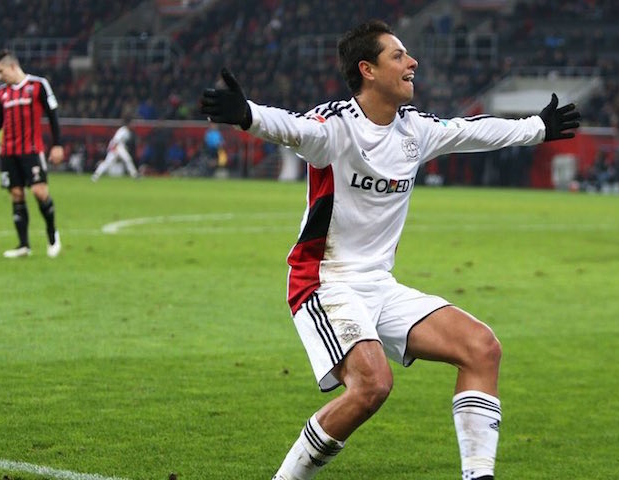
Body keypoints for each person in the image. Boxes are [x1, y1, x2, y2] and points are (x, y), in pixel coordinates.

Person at [200, 20, 579, 480]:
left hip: (379, 285)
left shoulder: (415, 129)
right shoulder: (335, 127)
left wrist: (538, 127)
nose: (412, 62)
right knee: (373, 385)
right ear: (368, 70)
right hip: (324, 282)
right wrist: (248, 114)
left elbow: (472, 131)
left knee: (481, 348)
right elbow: (290, 128)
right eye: (398, 55)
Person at [0, 50, 64, 258]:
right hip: (9, 152)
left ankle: (53, 236)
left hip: (31, 151)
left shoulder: (38, 85)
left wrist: (57, 145)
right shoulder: (2, 93)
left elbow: (53, 115)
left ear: (13, 66)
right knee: (16, 194)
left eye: (1, 71)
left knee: (39, 192)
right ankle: (24, 245)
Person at [91, 116, 139, 181]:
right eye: (132, 123)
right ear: (128, 123)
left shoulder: (128, 131)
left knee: (127, 159)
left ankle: (135, 175)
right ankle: (96, 175)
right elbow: (116, 140)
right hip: (117, 147)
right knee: (108, 162)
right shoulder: (123, 130)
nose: (133, 125)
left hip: (120, 147)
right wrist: (113, 149)